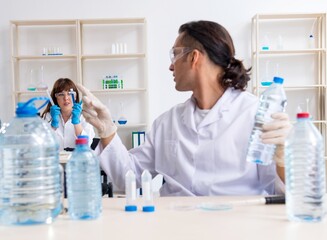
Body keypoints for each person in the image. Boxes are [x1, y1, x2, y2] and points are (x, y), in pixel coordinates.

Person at [77, 20, 291, 196]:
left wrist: (283, 157)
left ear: (194, 57)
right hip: (174, 224)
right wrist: (107, 130)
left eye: (175, 55)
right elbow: (128, 177)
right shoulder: (168, 122)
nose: (171, 65)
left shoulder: (254, 114)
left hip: (237, 224)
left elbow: (279, 190)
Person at [41, 78, 95, 151]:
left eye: (70, 94)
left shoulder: (85, 117)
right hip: (55, 160)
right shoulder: (48, 116)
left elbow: (87, 145)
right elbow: (42, 145)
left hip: (77, 160)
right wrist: (53, 126)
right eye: (61, 94)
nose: (66, 98)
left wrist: (76, 123)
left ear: (75, 97)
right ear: (55, 98)